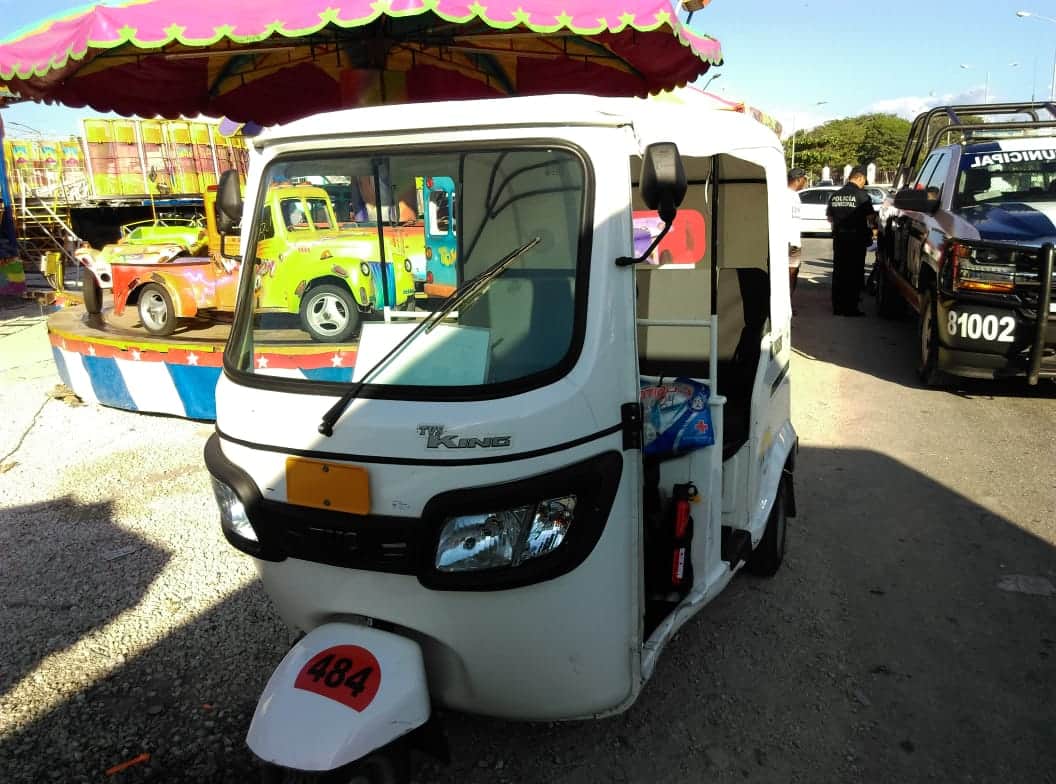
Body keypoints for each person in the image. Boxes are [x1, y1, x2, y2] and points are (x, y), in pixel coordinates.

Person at [826, 166, 876, 316]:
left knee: (839, 272)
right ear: (860, 178)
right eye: (864, 181)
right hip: (856, 240)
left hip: (840, 240)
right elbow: (871, 218)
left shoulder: (835, 195)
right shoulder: (862, 196)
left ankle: (837, 306)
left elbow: (830, 218)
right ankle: (850, 308)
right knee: (854, 273)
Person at [787, 167, 808, 294]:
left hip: (795, 242)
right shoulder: (783, 195)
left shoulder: (796, 196)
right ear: (798, 179)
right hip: (786, 242)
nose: (805, 183)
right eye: (804, 180)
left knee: (793, 272)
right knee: (785, 275)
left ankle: (789, 304)